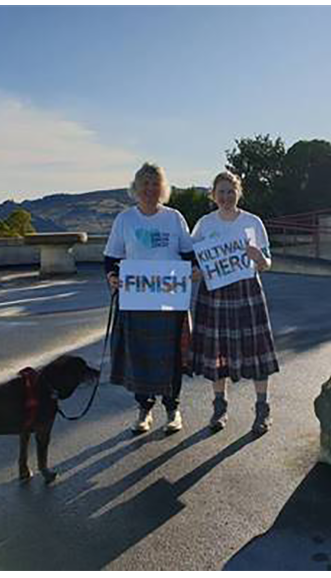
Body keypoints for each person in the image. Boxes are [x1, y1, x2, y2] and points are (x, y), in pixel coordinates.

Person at [104, 162, 195, 434]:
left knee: (171, 356)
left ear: (162, 188)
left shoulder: (174, 217)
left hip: (170, 299)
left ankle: (173, 409)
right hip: (136, 300)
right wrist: (111, 277)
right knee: (139, 356)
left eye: (155, 183)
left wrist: (196, 271)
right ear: (136, 187)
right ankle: (144, 410)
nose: (150, 189)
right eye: (145, 183)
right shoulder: (125, 220)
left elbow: (189, 254)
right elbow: (111, 258)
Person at [189, 171, 279, 435]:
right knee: (218, 351)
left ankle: (262, 410)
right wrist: (197, 272)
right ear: (213, 195)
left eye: (231, 191)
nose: (226, 197)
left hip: (246, 290)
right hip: (214, 293)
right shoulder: (204, 224)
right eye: (221, 192)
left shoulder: (253, 222)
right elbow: (196, 264)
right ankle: (219, 408)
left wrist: (259, 257)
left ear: (238, 192)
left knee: (256, 350)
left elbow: (267, 264)